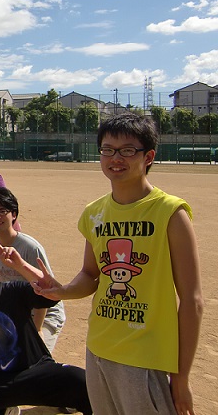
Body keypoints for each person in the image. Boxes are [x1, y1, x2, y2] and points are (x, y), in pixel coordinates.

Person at [34, 113, 203, 415]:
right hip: (98, 349)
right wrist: (63, 290)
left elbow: (192, 300)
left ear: (148, 156)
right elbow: (90, 275)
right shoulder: (94, 212)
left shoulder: (170, 213)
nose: (116, 158)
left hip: (145, 358)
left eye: (128, 150)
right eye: (107, 149)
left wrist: (181, 378)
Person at [0, 241, 92, 415]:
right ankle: (4, 410)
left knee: (85, 383)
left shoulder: (12, 291)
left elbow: (51, 296)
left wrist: (21, 266)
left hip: (36, 371)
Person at [0, 186, 66, 353]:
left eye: (2, 211)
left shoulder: (29, 247)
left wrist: (37, 329)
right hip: (18, 312)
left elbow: (44, 291)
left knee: (36, 357)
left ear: (13, 214)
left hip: (46, 313)